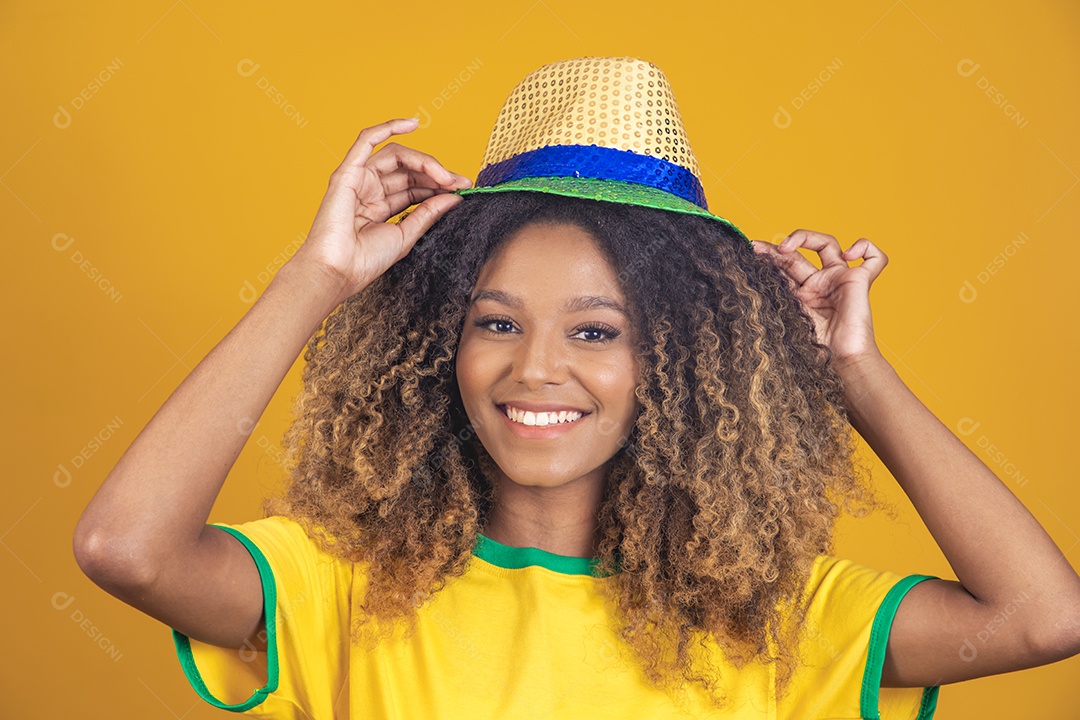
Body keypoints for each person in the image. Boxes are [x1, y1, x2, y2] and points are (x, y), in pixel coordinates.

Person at [73, 57, 1080, 719]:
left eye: (597, 331)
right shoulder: (340, 585)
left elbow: (1043, 618)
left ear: (678, 366)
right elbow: (127, 547)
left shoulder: (771, 621)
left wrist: (854, 372)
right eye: (496, 322)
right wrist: (317, 281)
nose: (535, 368)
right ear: (440, 346)